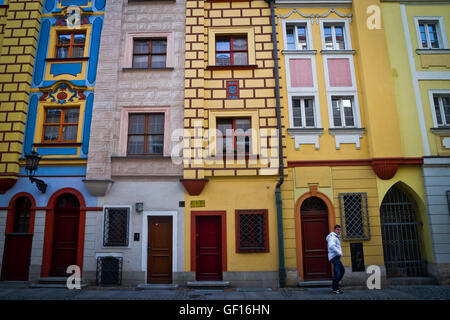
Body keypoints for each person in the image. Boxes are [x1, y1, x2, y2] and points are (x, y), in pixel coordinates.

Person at [326, 225, 345, 294]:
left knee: (342, 271)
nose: (339, 231)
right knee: (338, 273)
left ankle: (334, 286)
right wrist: (339, 252)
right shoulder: (333, 237)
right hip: (334, 257)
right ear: (334, 230)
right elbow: (331, 246)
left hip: (336, 257)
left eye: (340, 230)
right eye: (337, 230)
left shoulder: (336, 237)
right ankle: (335, 288)